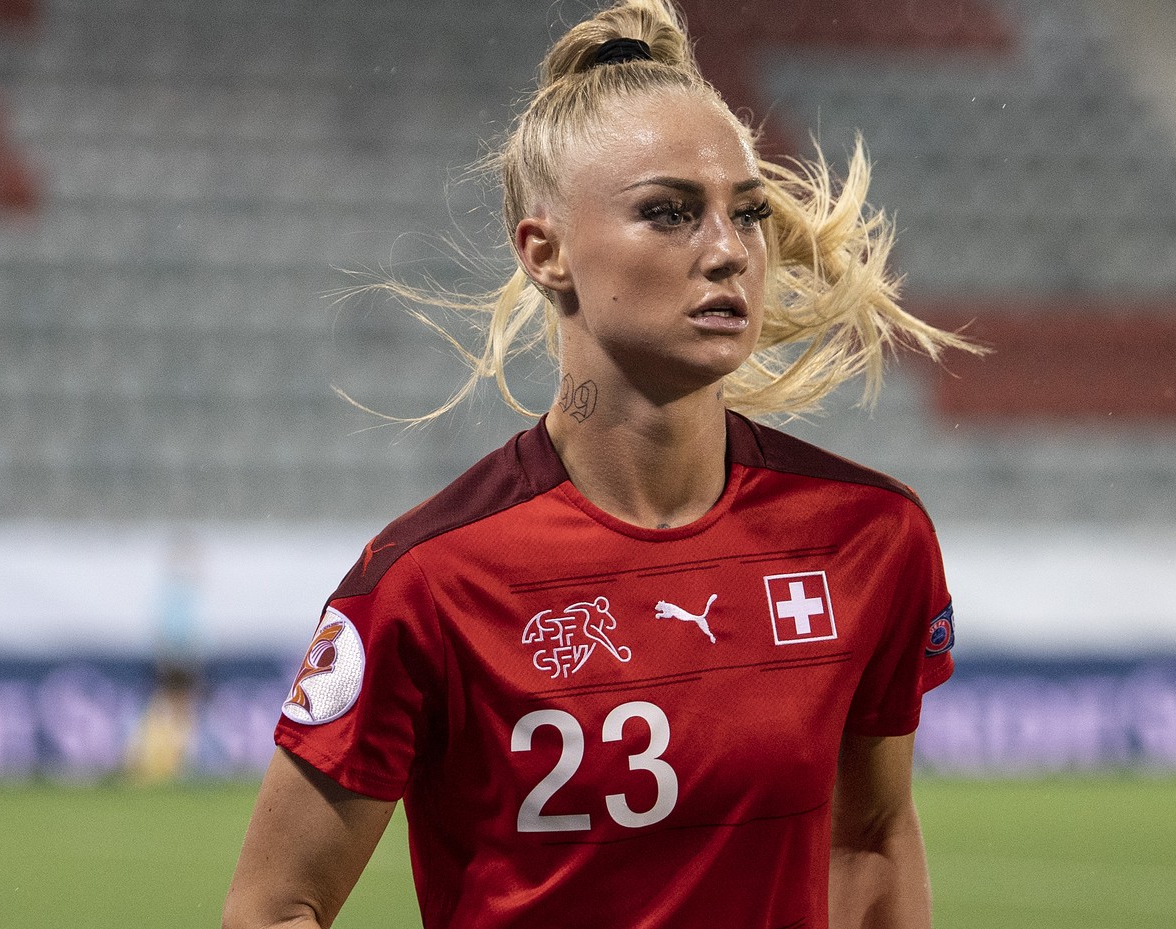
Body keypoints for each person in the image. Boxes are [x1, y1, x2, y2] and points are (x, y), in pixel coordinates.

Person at [224, 1, 974, 926]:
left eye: (746, 213)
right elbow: (274, 906)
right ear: (545, 252)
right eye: (669, 213)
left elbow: (871, 834)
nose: (728, 251)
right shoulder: (426, 582)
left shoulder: (869, 538)